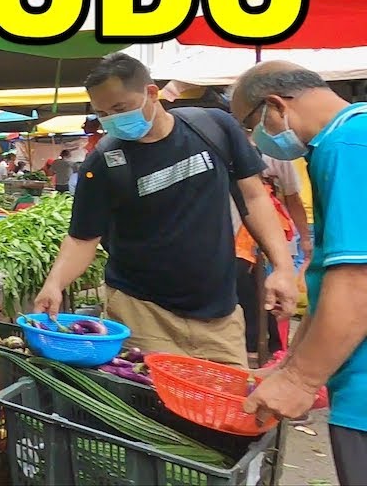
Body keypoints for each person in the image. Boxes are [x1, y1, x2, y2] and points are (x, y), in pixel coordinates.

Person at [33, 54, 297, 367]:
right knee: (152, 409)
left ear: (152, 93)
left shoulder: (213, 127)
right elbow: (82, 239)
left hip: (220, 315)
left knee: (222, 408)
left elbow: (253, 197)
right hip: (143, 312)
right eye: (104, 113)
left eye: (120, 108)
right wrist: (54, 283)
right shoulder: (103, 163)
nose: (113, 119)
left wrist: (282, 266)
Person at [231, 62, 367, 484]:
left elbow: (357, 282)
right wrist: (289, 364)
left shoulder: (347, 144)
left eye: (251, 125)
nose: (256, 139)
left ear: (275, 106)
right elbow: (332, 279)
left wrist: (302, 380)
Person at [232, 149, 308, 364]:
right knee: (246, 285)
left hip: (266, 233)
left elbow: (292, 197)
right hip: (231, 232)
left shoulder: (277, 154)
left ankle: (269, 346)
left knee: (268, 290)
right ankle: (261, 344)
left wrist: (305, 239)